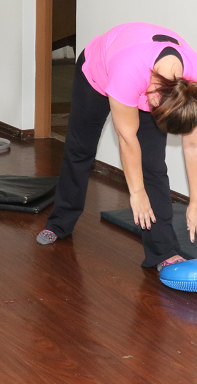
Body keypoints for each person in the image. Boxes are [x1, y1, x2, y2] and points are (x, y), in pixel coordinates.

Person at [36, 22, 197, 270]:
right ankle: (59, 223)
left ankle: (163, 251)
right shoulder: (128, 72)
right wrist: (136, 193)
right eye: (154, 110)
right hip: (97, 72)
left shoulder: (191, 83)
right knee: (81, 149)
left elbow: (193, 146)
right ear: (153, 92)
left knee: (153, 165)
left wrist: (195, 201)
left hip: (146, 77)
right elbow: (127, 138)